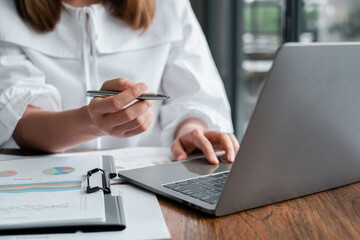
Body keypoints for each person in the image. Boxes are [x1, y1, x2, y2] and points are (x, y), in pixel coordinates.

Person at [0, 0, 239, 164]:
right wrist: (91, 122)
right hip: (52, 181)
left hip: (152, 180)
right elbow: (19, 122)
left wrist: (191, 131)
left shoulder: (170, 6)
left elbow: (194, 95)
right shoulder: (6, 11)